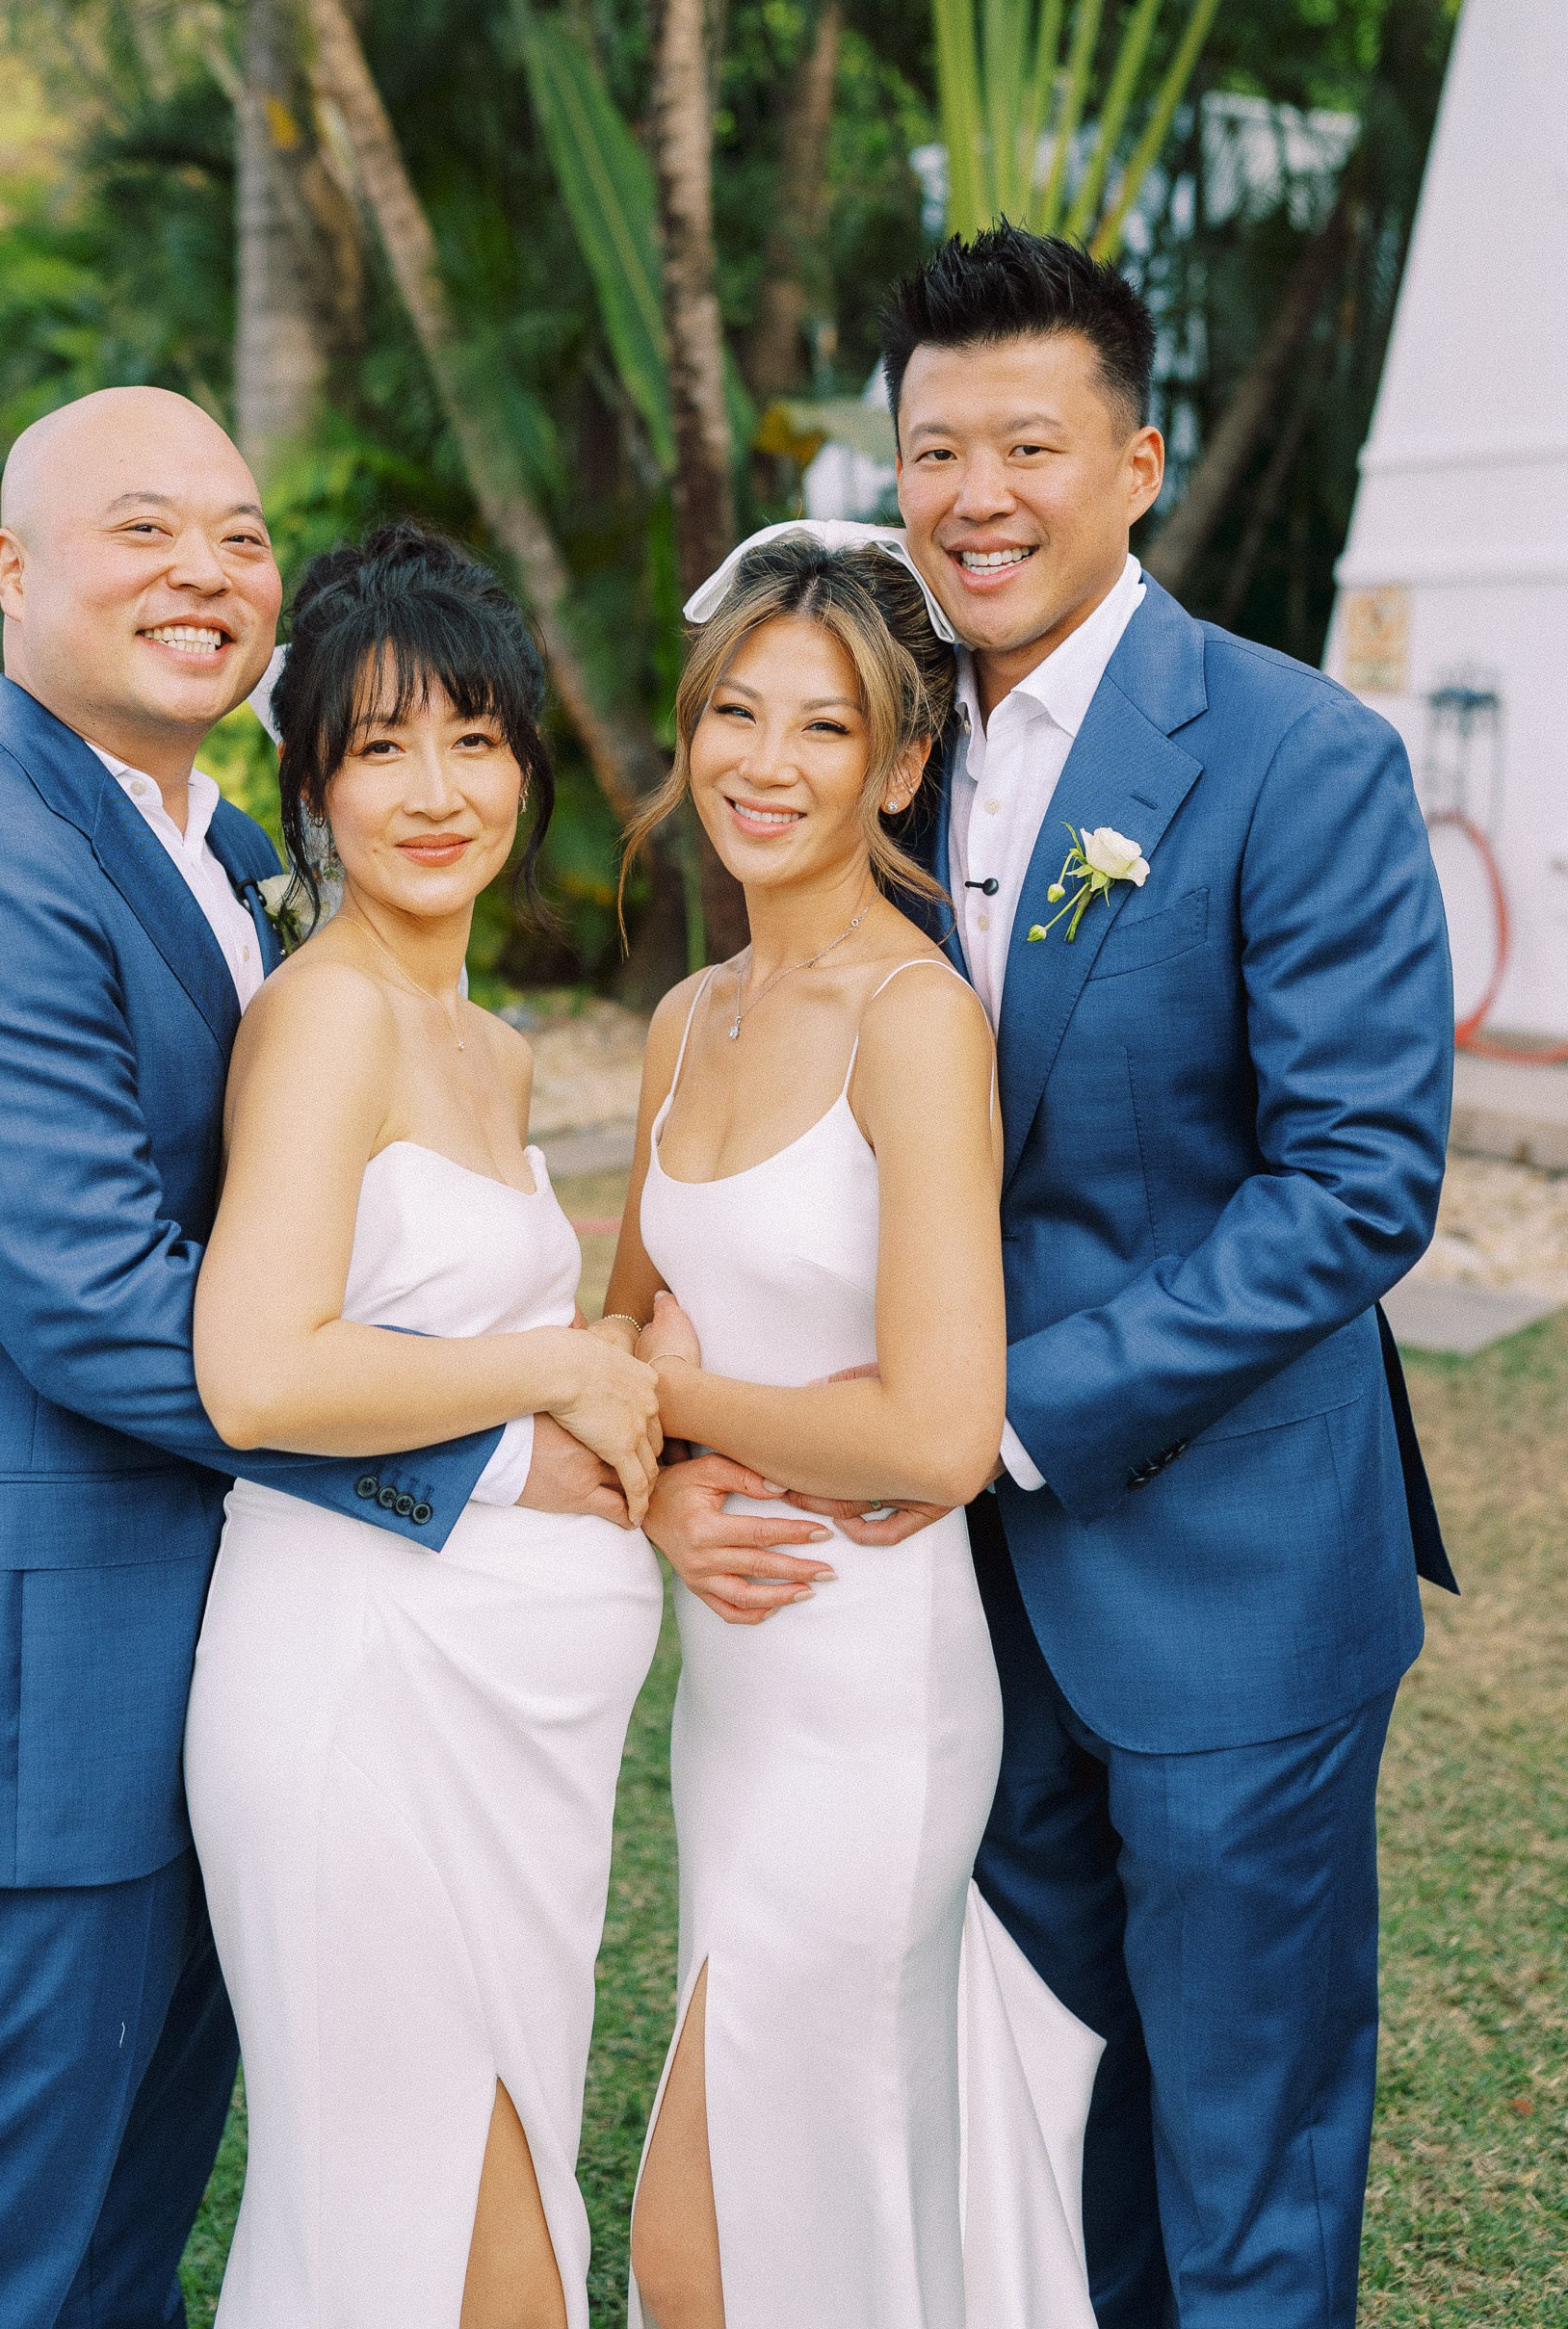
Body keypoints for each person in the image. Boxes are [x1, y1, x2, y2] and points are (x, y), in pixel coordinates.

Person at [669, 223, 1453, 2329]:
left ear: (1138, 463)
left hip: (1220, 1571)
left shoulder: (1297, 758)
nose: (976, 495)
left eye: (1029, 442)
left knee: (1243, 2137)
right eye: (937, 449)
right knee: (1037, 2108)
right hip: (941, 1621)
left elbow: (1358, 1180)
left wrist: (1005, 1416)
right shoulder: (878, 748)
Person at [0, 395, 617, 2329]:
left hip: (214, 1672)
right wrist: (496, 1449)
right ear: (10, 568)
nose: (202, 572)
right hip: (16, 1702)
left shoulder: (209, 852)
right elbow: (98, 1303)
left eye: (236, 536)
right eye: (138, 528)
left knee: (109, 2257)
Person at [608, 533, 1104, 2329]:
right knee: (806, 2181)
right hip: (728, 1701)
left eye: (824, 729)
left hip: (876, 1697)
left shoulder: (917, 1018)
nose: (764, 762)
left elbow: (941, 1431)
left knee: (717, 2224)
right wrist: (661, 1486)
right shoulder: (683, 1021)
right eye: (733, 713)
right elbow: (614, 1350)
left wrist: (672, 1402)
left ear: (900, 766)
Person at [183, 522, 665, 2329]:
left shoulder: (490, 1043)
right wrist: (550, 1371)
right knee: (427, 2251)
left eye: (473, 736)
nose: (436, 790)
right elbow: (264, 1370)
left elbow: (467, 1328)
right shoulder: (322, 1026)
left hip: (511, 1741)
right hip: (358, 1704)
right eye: (378, 748)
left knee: (496, 2215)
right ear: (311, 786)